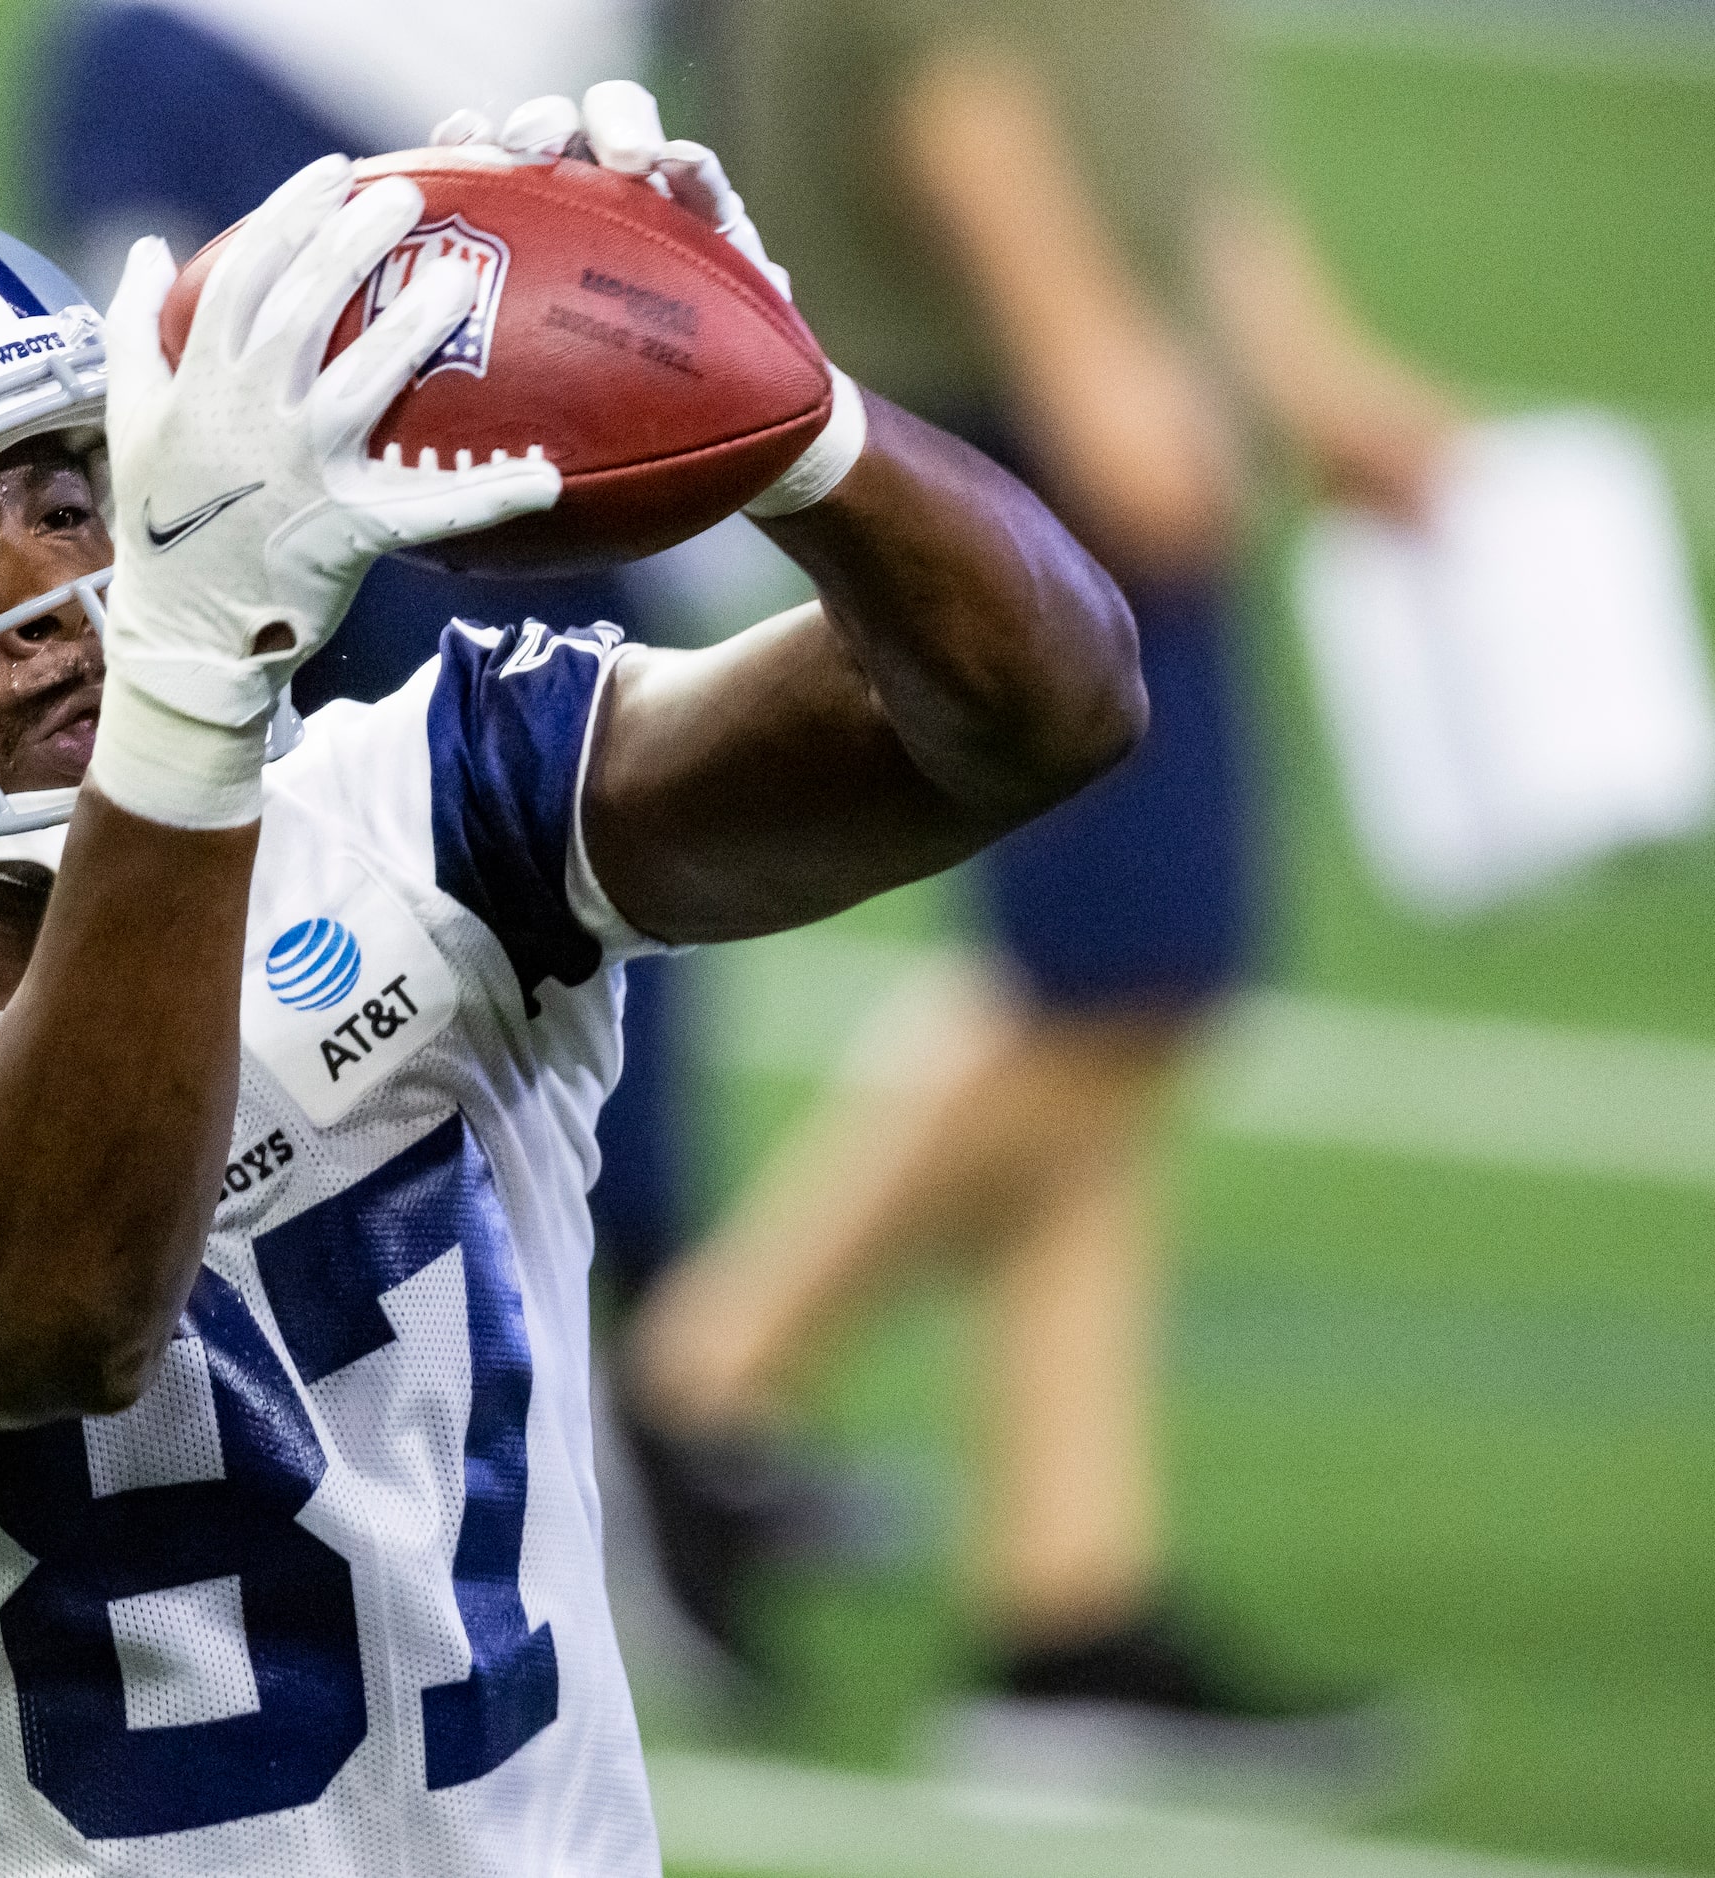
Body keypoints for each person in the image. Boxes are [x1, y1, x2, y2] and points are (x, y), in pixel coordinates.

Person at [0, 83, 1139, 1874]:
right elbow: (47, 1300)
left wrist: (794, 427)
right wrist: (195, 695)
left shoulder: (421, 816)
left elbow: (1045, 712)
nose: (51, 587)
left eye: (65, 494)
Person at [627, 0, 1461, 1792]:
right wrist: (1083, 339)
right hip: (1012, 384)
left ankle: (1069, 1599)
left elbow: (1142, 111)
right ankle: (690, 1393)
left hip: (1066, 355)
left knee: (1121, 1004)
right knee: (1121, 976)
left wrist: (1295, 364)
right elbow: (940, 58)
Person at [21, 0, 694, 1294]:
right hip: (272, 103)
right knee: (214, 694)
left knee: (565, 751)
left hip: (489, 162)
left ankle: (643, 1341)